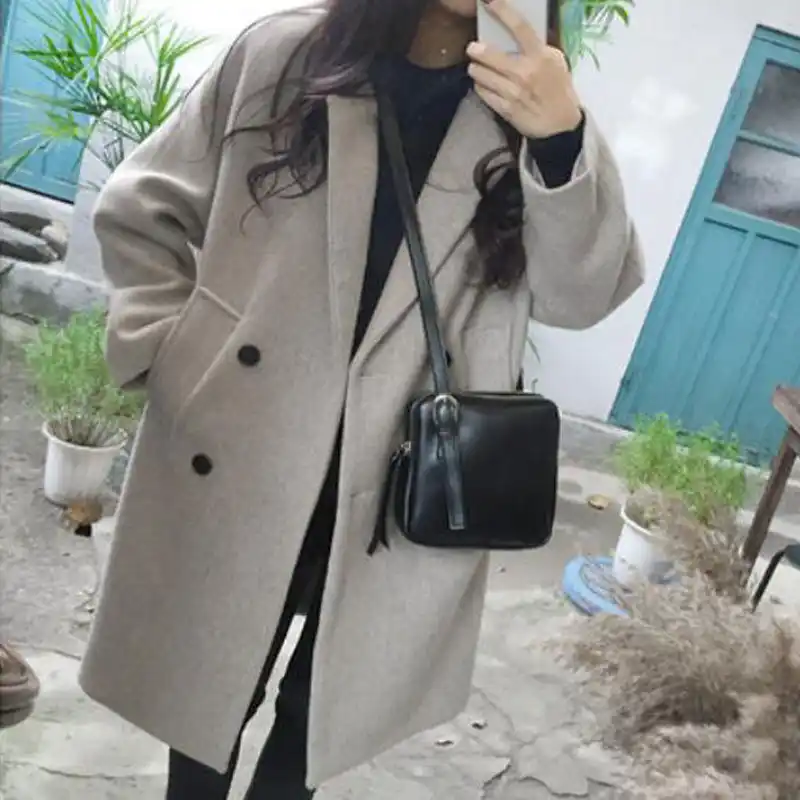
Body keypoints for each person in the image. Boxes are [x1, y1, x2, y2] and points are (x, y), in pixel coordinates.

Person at [79, 0, 644, 797]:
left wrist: (558, 141)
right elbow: (144, 208)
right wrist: (171, 356)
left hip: (406, 479)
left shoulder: (533, 104)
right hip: (246, 444)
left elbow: (579, 297)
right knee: (206, 698)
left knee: (315, 726)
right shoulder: (288, 56)